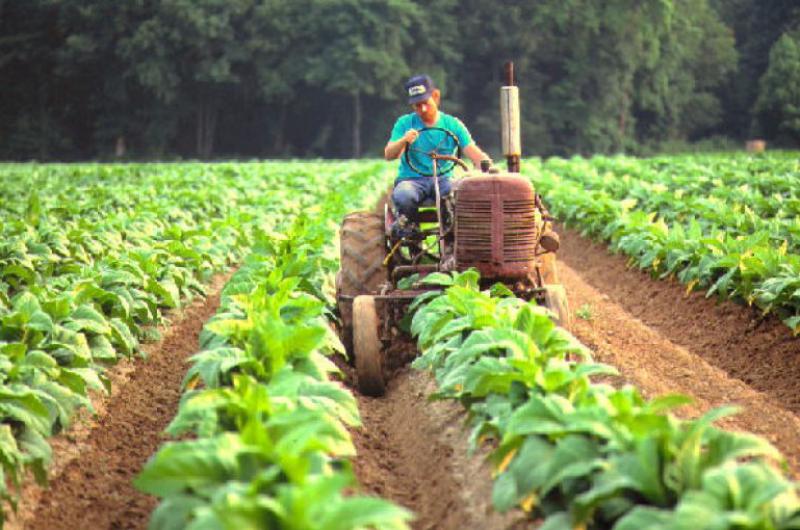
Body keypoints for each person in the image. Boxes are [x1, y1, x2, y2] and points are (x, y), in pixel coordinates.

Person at [384, 74, 491, 238]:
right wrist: (404, 141)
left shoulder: (452, 124)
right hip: (411, 180)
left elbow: (472, 152)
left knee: (457, 193)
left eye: (425, 103)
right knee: (404, 194)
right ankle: (410, 228)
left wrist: (488, 167)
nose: (422, 110)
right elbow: (389, 154)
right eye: (417, 106)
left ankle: (452, 233)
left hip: (443, 179)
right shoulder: (404, 123)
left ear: (436, 96)